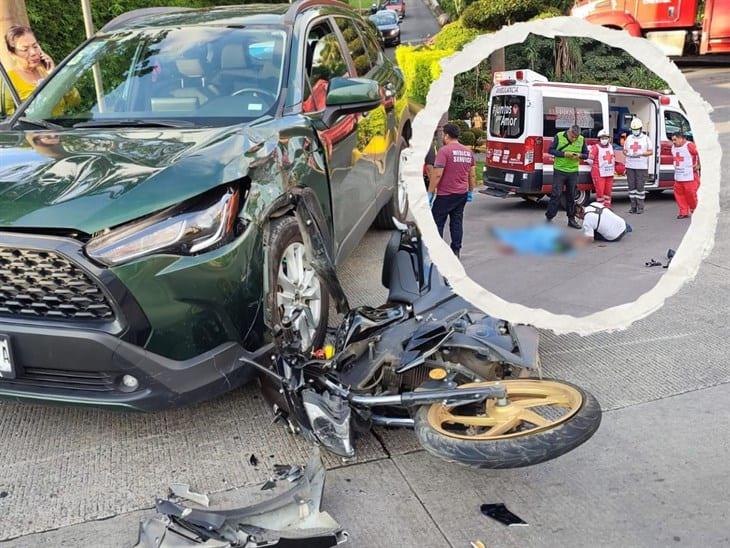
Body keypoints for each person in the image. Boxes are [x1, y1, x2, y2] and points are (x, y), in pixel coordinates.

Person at [2, 25, 79, 116]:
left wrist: (56, 76)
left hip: (60, 127)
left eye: (35, 46)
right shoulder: (8, 80)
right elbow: (8, 118)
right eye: (25, 49)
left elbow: (75, 102)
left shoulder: (47, 70)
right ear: (12, 54)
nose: (33, 53)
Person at [427, 123, 476, 258]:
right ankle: (456, 250)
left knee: (437, 222)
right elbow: (472, 174)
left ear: (447, 135)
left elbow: (437, 174)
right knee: (456, 222)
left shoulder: (444, 151)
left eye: (443, 134)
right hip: (461, 194)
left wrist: (430, 192)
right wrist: (470, 191)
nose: (442, 136)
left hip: (445, 195)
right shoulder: (468, 152)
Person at [546, 124, 588, 229]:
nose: (574, 139)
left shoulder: (582, 139)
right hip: (559, 170)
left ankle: (571, 219)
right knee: (556, 194)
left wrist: (580, 156)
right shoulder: (559, 136)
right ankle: (549, 217)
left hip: (573, 171)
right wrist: (564, 154)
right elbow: (550, 150)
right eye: (572, 137)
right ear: (569, 132)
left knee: (571, 196)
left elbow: (586, 154)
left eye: (576, 137)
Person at [623, 117, 653, 214]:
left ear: (640, 129)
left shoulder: (646, 138)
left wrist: (641, 153)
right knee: (631, 187)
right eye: (633, 130)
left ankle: (640, 207)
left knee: (640, 187)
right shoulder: (629, 138)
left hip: (641, 167)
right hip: (630, 166)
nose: (635, 131)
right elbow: (624, 150)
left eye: (637, 130)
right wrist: (627, 153)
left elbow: (650, 152)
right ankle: (633, 207)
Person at [670, 131, 700, 219]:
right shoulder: (673, 147)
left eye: (675, 140)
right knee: (679, 195)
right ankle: (683, 212)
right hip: (679, 177)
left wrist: (699, 165)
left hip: (690, 176)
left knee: (691, 194)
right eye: (673, 140)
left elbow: (701, 154)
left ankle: (695, 209)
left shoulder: (689, 146)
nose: (674, 142)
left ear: (681, 138)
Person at [587, 128, 615, 208]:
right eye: (603, 138)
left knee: (608, 192)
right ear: (599, 139)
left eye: (606, 138)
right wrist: (596, 166)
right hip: (599, 172)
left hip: (609, 172)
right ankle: (601, 208)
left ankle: (607, 206)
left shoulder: (610, 146)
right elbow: (589, 159)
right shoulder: (595, 147)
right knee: (600, 192)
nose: (604, 140)